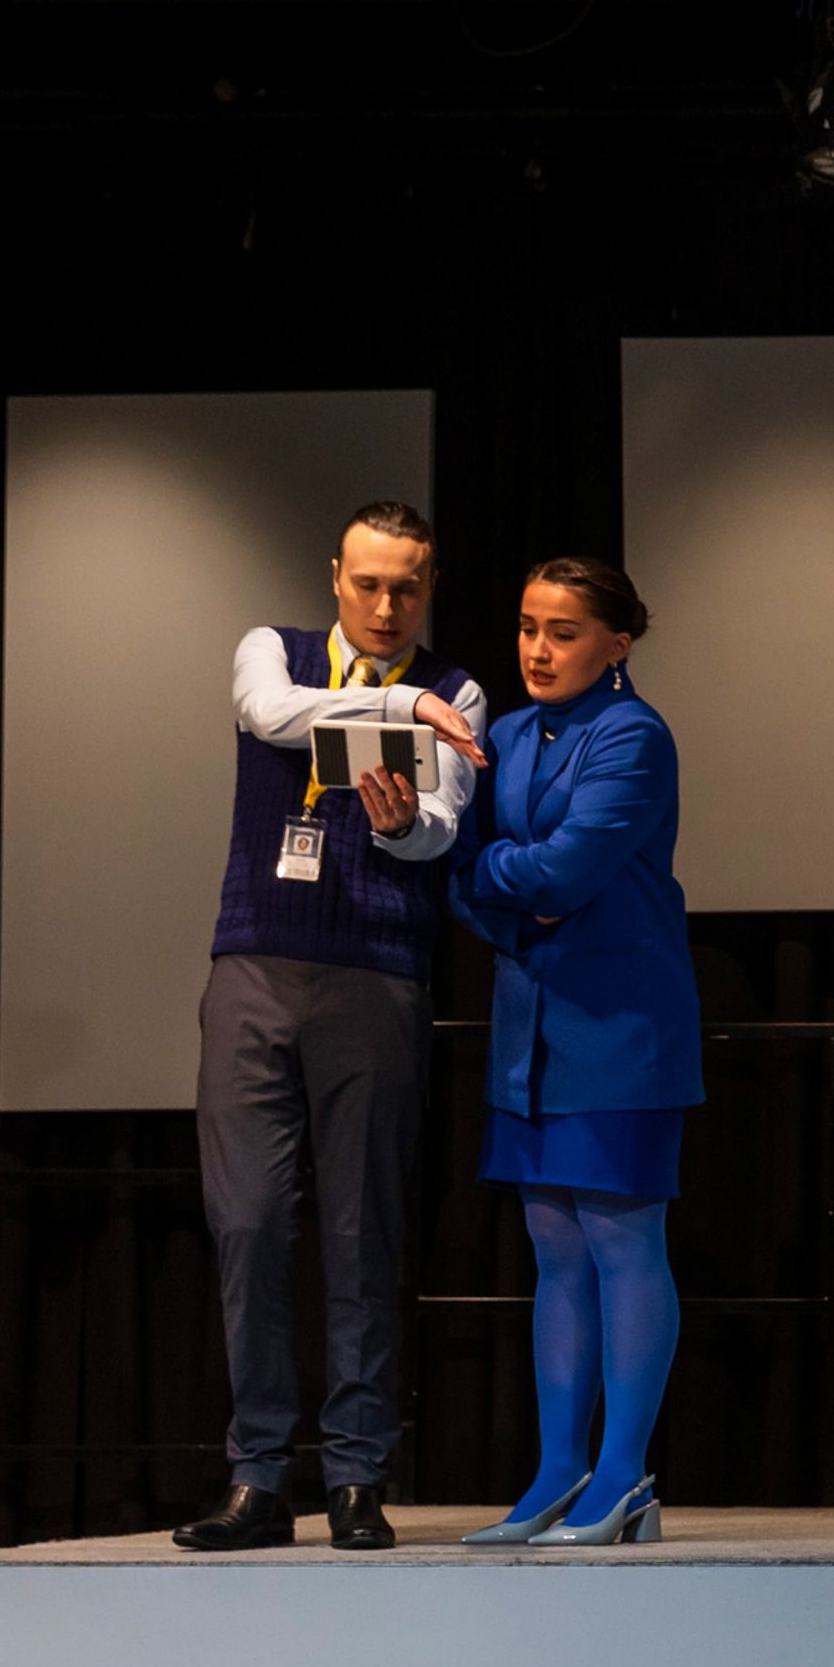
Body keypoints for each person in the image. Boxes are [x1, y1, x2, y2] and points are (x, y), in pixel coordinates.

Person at [177, 503, 493, 1554]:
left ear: (430, 583)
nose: (388, 604)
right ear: (336, 577)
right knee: (251, 1223)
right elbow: (271, 716)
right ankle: (258, 1477)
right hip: (257, 964)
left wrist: (403, 827)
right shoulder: (275, 650)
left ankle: (357, 1475)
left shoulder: (462, 693)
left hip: (376, 977)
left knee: (364, 1230)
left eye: (407, 585)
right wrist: (394, 698)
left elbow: (441, 829)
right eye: (369, 583)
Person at [452, 557, 705, 1548]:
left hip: (620, 1026)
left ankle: (626, 1475)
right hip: (530, 1028)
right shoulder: (508, 735)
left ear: (617, 642)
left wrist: (501, 874)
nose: (537, 648)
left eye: (561, 630)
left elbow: (570, 865)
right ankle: (560, 1468)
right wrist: (509, 882)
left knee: (620, 1239)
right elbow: (475, 886)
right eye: (526, 626)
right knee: (554, 1250)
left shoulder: (634, 736)